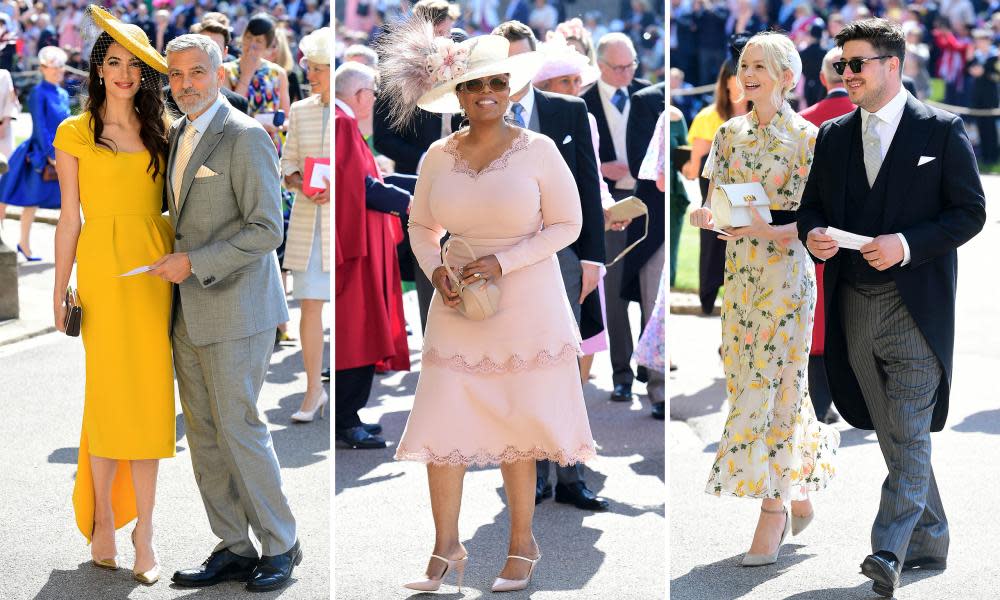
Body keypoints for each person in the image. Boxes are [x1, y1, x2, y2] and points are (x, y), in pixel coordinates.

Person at [379, 20, 596, 593]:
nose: (486, 94)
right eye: (474, 86)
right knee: (442, 422)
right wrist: (438, 270)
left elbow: (568, 225)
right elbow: (422, 226)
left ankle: (522, 543)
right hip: (456, 303)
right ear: (459, 94)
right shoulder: (436, 155)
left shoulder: (540, 150)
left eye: (496, 83)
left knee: (516, 427)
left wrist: (506, 262)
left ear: (510, 88)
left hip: (527, 302)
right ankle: (445, 548)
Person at [798, 19, 986, 597]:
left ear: (891, 65)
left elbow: (969, 213)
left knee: (905, 426)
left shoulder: (943, 130)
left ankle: (887, 549)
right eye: (841, 64)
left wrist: (905, 245)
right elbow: (811, 211)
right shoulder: (832, 137)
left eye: (857, 64)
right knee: (894, 432)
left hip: (917, 309)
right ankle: (931, 538)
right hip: (854, 303)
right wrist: (814, 237)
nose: (845, 74)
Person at [688, 31, 839, 567]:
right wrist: (705, 215)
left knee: (779, 387)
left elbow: (817, 218)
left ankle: (772, 511)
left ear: (785, 77)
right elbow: (714, 199)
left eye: (759, 65)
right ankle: (797, 487)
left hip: (788, 283)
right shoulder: (728, 133)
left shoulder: (808, 138)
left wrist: (771, 230)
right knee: (746, 383)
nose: (746, 73)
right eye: (743, 64)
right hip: (742, 283)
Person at [156, 33, 300, 592]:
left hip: (238, 306)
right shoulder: (177, 135)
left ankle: (282, 543)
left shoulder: (244, 136)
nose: (185, 84)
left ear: (219, 74)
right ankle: (235, 546)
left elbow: (267, 229)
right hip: (187, 313)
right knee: (205, 436)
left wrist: (194, 262)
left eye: (196, 73)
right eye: (175, 75)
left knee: (239, 430)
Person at [51, 7, 172, 585]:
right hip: (100, 273)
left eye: (133, 64)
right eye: (114, 61)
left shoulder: (162, 130)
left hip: (155, 274)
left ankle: (144, 533)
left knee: (149, 400)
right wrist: (60, 288)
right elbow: (68, 219)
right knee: (105, 396)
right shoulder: (73, 132)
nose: (123, 73)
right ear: (99, 67)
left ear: (144, 73)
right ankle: (103, 518)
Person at [494, 21, 609, 511]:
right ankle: (530, 473)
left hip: (563, 258)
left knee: (564, 367)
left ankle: (569, 473)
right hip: (503, 260)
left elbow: (587, 185)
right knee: (518, 368)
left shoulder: (569, 109)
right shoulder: (478, 114)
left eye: (523, 58)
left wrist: (593, 257)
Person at [334, 61, 409, 449]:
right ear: (360, 95)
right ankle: (346, 419)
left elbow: (365, 181)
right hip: (357, 249)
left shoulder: (340, 122)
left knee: (359, 330)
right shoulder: (342, 124)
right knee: (357, 332)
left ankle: (350, 415)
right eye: (373, 93)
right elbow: (360, 187)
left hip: (360, 242)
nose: (375, 100)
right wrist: (407, 202)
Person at [581, 32, 649, 404]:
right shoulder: (582, 103)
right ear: (601, 66)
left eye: (631, 65)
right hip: (608, 203)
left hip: (647, 200)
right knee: (615, 287)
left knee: (651, 290)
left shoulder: (650, 95)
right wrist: (601, 167)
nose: (626, 73)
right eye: (618, 67)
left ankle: (650, 365)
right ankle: (621, 373)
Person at [799, 45, 855, 425]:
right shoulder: (870, 119)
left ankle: (819, 404)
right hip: (863, 239)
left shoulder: (803, 122)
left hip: (814, 235)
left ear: (821, 78)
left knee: (817, 322)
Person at [282, 28, 331, 422]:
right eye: (309, 68)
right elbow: (288, 164)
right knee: (309, 306)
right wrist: (302, 184)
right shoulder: (300, 111)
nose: (311, 75)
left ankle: (344, 391)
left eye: (318, 69)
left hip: (344, 224)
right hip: (309, 222)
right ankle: (313, 389)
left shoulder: (350, 109)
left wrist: (339, 187)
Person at [682, 58, 747, 314]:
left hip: (747, 189)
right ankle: (708, 299)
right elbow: (695, 165)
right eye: (738, 75)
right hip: (714, 188)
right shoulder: (709, 117)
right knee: (712, 245)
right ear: (726, 81)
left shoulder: (761, 116)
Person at [0, 45, 69, 261]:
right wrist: (51, 155)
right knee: (27, 199)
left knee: (67, 203)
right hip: (40, 153)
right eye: (53, 67)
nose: (58, 71)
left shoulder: (63, 93)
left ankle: (68, 249)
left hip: (61, 152)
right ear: (43, 68)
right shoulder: (38, 92)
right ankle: (23, 244)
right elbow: (40, 126)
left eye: (60, 67)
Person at [624, 80, 666, 419]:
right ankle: (659, 391)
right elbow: (642, 162)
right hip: (654, 220)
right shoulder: (646, 101)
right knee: (652, 304)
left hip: (679, 214)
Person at [222, 13, 291, 147]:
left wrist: (277, 127)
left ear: (268, 46)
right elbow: (229, 112)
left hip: (269, 145)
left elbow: (287, 118)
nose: (251, 45)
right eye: (248, 38)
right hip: (238, 144)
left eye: (258, 41)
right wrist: (246, 75)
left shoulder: (278, 73)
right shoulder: (226, 70)